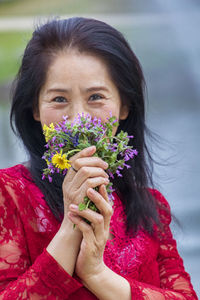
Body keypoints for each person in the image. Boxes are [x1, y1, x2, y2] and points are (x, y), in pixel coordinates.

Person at [0, 17, 197, 300]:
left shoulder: (151, 208)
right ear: (35, 109)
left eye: (95, 97)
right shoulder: (8, 194)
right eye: (58, 99)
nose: (79, 118)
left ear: (124, 106)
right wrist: (71, 227)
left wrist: (97, 274)